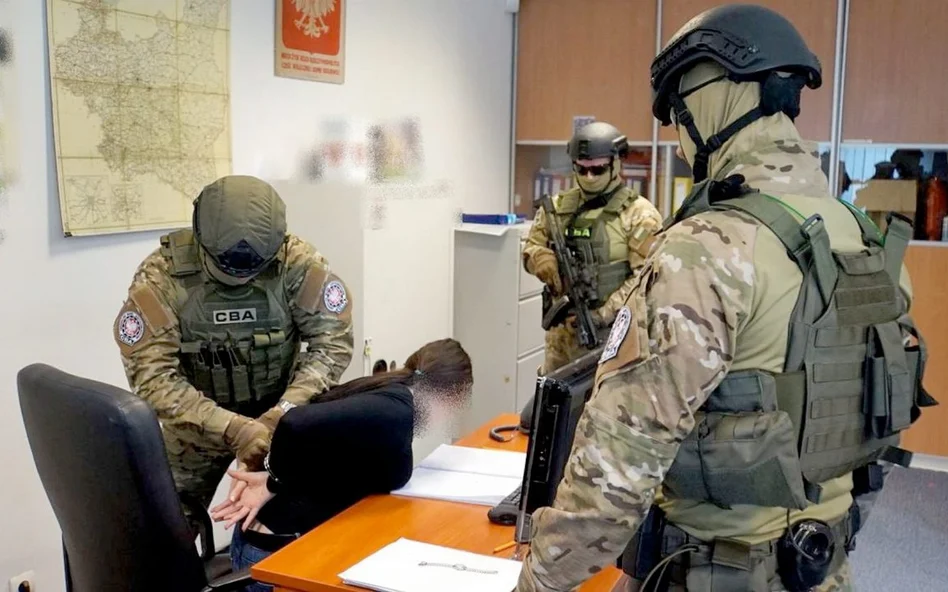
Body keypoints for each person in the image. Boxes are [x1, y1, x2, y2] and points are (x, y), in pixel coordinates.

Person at [513, 4, 936, 592]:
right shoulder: (864, 237)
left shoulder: (706, 249)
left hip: (710, 574)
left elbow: (613, 475)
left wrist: (538, 581)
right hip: (825, 569)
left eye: (679, 116)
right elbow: (874, 423)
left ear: (710, 103)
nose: (681, 139)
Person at [113, 174, 354, 533]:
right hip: (196, 427)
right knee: (157, 533)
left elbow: (331, 345)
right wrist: (232, 428)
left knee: (303, 527)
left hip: (280, 422)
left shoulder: (297, 264)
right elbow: (152, 377)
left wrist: (280, 416)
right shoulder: (163, 276)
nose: (240, 277)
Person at [208, 338, 473, 590]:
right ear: (448, 396)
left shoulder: (389, 394)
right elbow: (295, 422)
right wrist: (272, 481)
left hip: (299, 540)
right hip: (275, 553)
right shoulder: (394, 410)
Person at [522, 121, 663, 374]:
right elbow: (532, 245)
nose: (589, 177)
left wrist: (602, 315)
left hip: (612, 339)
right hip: (560, 340)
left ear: (616, 165)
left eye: (598, 169)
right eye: (582, 169)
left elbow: (645, 280)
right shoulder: (557, 207)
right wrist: (540, 258)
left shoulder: (639, 214)